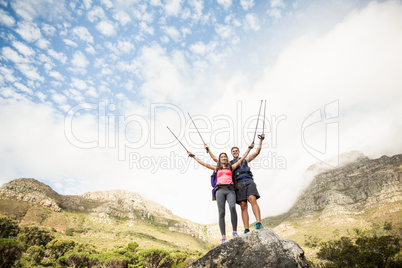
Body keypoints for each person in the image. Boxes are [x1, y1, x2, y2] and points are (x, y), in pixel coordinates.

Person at [187, 142, 254, 243]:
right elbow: (203, 163)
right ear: (220, 159)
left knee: (232, 207)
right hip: (220, 191)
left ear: (227, 159)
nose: (223, 158)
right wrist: (194, 156)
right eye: (221, 157)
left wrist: (249, 149)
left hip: (230, 190)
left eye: (225, 156)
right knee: (221, 212)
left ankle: (234, 232)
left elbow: (242, 158)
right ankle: (223, 237)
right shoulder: (216, 167)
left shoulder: (232, 166)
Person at [205, 134, 265, 234]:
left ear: (239, 152)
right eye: (233, 151)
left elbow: (257, 152)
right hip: (238, 184)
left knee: (252, 199)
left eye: (236, 150)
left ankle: (258, 222)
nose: (235, 152)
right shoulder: (229, 164)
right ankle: (246, 229)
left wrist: (261, 141)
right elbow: (216, 159)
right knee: (243, 205)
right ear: (231, 153)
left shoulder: (245, 159)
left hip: (248, 180)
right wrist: (208, 150)